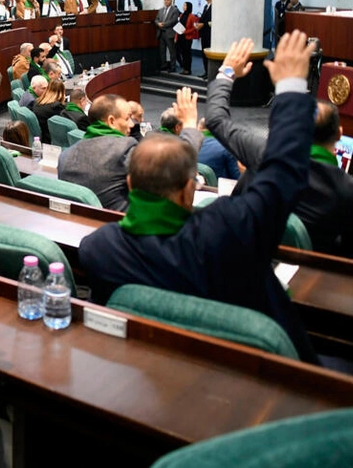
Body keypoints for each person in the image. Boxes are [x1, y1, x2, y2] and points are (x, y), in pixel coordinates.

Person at [78, 32, 320, 364]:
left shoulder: (97, 249)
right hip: (257, 374)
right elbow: (282, 172)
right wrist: (289, 87)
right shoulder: (229, 228)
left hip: (153, 366)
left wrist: (285, 85)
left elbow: (283, 172)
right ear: (189, 188)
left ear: (130, 184)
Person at [206, 37, 353, 258]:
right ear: (339, 134)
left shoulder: (263, 154)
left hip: (250, 259)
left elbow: (216, 119)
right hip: (310, 274)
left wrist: (226, 73)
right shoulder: (345, 188)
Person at [58, 91, 202, 212]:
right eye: (127, 118)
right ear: (111, 121)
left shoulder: (65, 155)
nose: (132, 124)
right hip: (122, 228)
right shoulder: (123, 148)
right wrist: (189, 125)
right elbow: (176, 169)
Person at [156, 0, 180, 72]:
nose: (166, 1)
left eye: (168, 0)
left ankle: (173, 67)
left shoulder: (175, 10)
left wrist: (163, 24)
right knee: (162, 51)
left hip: (169, 33)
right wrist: (158, 23)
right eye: (165, 0)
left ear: (171, 1)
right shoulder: (161, 10)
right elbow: (156, 19)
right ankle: (164, 65)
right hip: (161, 33)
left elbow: (174, 20)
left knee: (172, 51)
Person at [175, 1, 198, 75]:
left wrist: (186, 32)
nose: (183, 7)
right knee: (182, 53)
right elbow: (178, 26)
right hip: (180, 37)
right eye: (183, 5)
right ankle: (184, 68)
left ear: (188, 7)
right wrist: (176, 37)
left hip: (187, 38)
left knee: (187, 54)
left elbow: (194, 28)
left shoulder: (192, 16)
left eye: (185, 5)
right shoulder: (181, 15)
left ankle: (188, 69)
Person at [195, 0, 212, 77]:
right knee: (204, 53)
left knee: (208, 53)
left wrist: (203, 24)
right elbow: (202, 18)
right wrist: (198, 24)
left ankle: (210, 72)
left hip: (209, 33)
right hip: (203, 33)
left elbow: (211, 20)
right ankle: (206, 71)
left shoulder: (214, 7)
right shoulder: (205, 6)